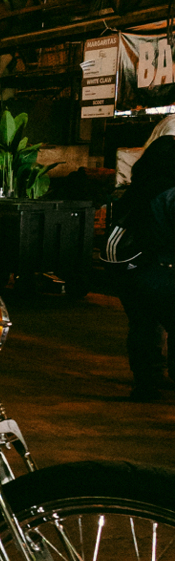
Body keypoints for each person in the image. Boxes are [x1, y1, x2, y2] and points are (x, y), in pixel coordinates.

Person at [114, 136, 175, 400]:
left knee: (143, 327)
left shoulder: (132, 192)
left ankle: (146, 385)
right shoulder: (170, 193)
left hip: (132, 272)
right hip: (164, 271)